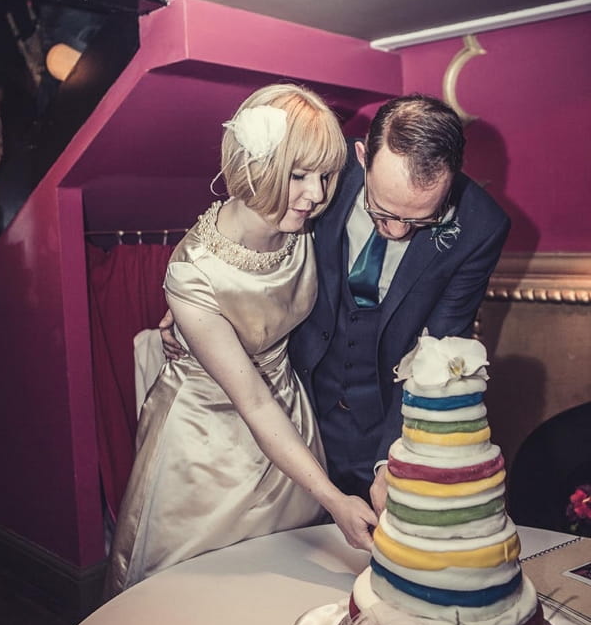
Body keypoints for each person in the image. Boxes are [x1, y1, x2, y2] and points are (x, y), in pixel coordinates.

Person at [162, 93, 510, 519]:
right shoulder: (322, 166)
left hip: (383, 420)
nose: (398, 232)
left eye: (420, 219)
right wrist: (200, 302)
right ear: (360, 158)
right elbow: (251, 204)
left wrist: (391, 459)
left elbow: (436, 350)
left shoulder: (481, 226)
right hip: (295, 401)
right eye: (382, 210)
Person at [105, 84, 376, 597]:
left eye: (324, 176)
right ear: (255, 166)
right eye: (299, 176)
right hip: (206, 440)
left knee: (282, 586)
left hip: (288, 422)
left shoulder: (302, 224)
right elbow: (251, 401)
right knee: (197, 595)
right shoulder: (192, 275)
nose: (316, 194)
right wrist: (335, 498)